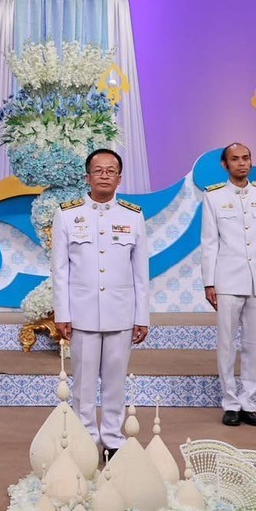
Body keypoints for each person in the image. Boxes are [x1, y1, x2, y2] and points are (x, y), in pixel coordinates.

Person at [51, 148, 150, 462]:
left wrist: (142, 317)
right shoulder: (67, 215)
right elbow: (60, 270)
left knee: (115, 383)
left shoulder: (132, 216)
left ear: (119, 178)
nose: (104, 176)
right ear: (87, 177)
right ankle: (84, 440)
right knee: (82, 384)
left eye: (111, 171)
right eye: (98, 170)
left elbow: (141, 273)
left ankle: (112, 440)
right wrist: (63, 313)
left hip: (121, 314)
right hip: (82, 314)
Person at [200, 142, 256, 428]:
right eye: (235, 159)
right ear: (225, 164)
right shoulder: (213, 196)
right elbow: (209, 242)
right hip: (227, 280)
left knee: (254, 344)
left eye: (246, 158)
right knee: (226, 343)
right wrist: (209, 282)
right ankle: (230, 402)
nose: (242, 163)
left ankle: (249, 401)